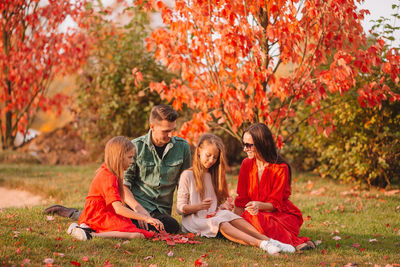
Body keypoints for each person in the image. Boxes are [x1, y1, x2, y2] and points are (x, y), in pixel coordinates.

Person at [45, 105, 191, 234]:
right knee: (154, 227)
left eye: (173, 130)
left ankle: (89, 216)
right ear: (152, 126)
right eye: (166, 131)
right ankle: (78, 214)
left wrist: (193, 213)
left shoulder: (182, 147)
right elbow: (125, 185)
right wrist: (138, 209)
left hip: (160, 210)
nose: (171, 135)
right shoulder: (134, 148)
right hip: (134, 204)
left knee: (170, 227)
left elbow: (185, 184)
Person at [176, 133, 295, 255]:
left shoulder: (213, 175)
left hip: (210, 215)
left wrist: (222, 207)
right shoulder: (187, 175)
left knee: (230, 215)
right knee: (221, 222)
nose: (211, 160)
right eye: (208, 155)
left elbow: (213, 208)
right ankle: (262, 244)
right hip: (193, 219)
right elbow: (180, 209)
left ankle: (270, 241)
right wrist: (200, 206)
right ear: (199, 151)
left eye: (215, 157)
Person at [233, 123, 316, 251]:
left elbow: (275, 204)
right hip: (254, 214)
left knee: (256, 218)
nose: (245, 149)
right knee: (249, 218)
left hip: (280, 214)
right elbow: (242, 199)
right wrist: (235, 220)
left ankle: (293, 242)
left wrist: (258, 205)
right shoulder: (246, 164)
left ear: (262, 144)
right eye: (243, 144)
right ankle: (288, 241)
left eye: (249, 145)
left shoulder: (280, 168)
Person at [67, 136, 164, 240]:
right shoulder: (108, 177)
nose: (132, 161)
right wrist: (146, 218)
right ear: (119, 157)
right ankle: (90, 234)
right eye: (130, 157)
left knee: (134, 228)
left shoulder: (111, 172)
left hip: (103, 212)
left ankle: (86, 230)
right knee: (138, 235)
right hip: (99, 216)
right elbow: (118, 209)